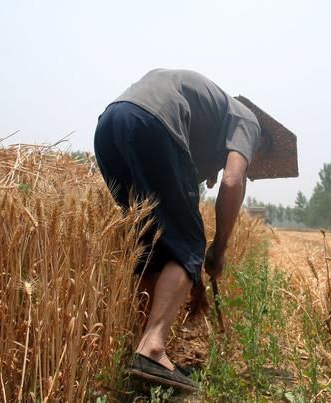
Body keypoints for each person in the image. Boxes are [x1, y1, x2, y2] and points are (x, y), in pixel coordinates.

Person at [93, 69, 261, 391]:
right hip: (153, 123)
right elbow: (232, 181)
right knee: (188, 244)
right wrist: (217, 251)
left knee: (150, 245)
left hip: (109, 125)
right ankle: (153, 347)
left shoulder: (212, 110)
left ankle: (140, 353)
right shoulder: (249, 121)